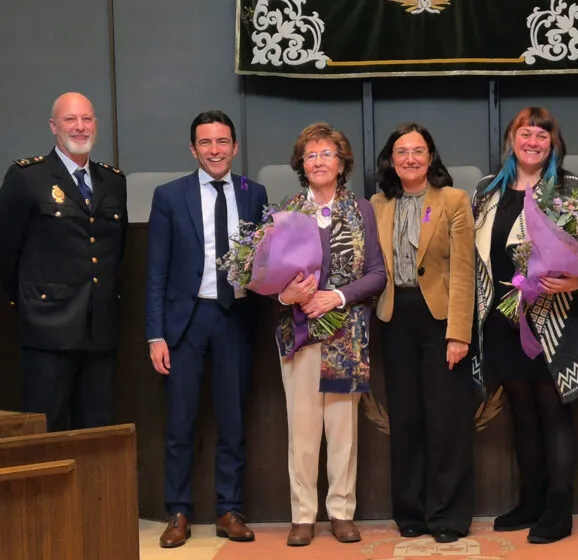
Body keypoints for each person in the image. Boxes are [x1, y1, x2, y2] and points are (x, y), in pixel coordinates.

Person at [472, 106, 578, 544]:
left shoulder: (571, 188)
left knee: (554, 411)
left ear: (553, 143)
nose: (533, 142)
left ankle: (559, 509)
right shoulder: (487, 190)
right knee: (521, 412)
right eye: (525, 133)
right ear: (512, 138)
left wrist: (576, 279)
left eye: (542, 135)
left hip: (555, 318)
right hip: (503, 319)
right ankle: (530, 501)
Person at [145, 110, 267, 548]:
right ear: (193, 149)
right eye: (205, 143)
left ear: (234, 147)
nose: (214, 150)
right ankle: (177, 511)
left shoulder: (255, 192)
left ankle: (229, 509)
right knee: (180, 422)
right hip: (186, 322)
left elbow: (267, 258)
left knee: (233, 420)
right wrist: (155, 334)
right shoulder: (169, 196)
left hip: (235, 317)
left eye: (222, 142)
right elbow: (155, 271)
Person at [276, 122, 386, 547]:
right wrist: (285, 294)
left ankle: (341, 511)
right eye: (311, 155)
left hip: (347, 334)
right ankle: (302, 515)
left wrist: (336, 296)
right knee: (301, 429)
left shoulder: (362, 210)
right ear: (301, 165)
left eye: (327, 154)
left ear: (342, 164)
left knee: (343, 430)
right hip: (300, 332)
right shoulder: (286, 211)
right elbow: (266, 278)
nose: (319, 161)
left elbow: (377, 275)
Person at [371, 123, 475, 543]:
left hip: (441, 320)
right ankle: (410, 512)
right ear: (390, 161)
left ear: (431, 157)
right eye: (401, 152)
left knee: (446, 421)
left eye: (418, 150)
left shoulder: (453, 200)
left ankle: (448, 515)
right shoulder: (377, 204)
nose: (410, 158)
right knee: (407, 419)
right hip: (395, 318)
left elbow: (465, 270)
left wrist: (459, 332)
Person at [0, 92, 127, 432]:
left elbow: (118, 251)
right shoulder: (27, 177)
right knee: (48, 433)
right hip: (48, 331)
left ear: (96, 125)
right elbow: (6, 253)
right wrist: (32, 304)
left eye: (86, 119)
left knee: (98, 435)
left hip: (99, 332)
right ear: (54, 126)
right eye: (71, 120)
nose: (80, 127)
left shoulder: (113, 181)